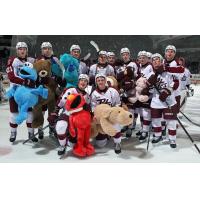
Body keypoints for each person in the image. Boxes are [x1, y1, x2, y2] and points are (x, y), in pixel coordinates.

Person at [47, 74, 91, 155]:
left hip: (79, 118)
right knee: (60, 126)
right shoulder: (71, 90)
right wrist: (55, 112)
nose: (83, 82)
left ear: (87, 84)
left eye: (85, 81)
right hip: (67, 113)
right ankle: (62, 145)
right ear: (78, 81)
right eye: (82, 80)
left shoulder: (87, 96)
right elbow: (61, 102)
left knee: (72, 144)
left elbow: (88, 111)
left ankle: (69, 138)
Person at [6, 42, 38, 143]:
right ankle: (13, 132)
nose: (22, 50)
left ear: (27, 50)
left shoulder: (31, 60)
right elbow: (11, 77)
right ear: (17, 50)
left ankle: (31, 133)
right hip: (15, 92)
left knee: (29, 114)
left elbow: (36, 72)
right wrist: (25, 81)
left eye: (24, 48)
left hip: (27, 93)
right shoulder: (12, 60)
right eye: (20, 49)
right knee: (14, 115)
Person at [149, 53, 178, 148]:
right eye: (153, 60)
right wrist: (149, 87)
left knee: (171, 121)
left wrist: (167, 91)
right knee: (156, 120)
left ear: (161, 61)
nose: (155, 61)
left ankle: (172, 138)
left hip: (168, 101)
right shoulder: (151, 74)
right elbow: (149, 88)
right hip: (156, 101)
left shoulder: (168, 71)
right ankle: (158, 135)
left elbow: (176, 82)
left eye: (157, 59)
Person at [90, 74, 122, 154]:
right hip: (101, 118)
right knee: (101, 144)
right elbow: (93, 107)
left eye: (102, 80)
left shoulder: (112, 91)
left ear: (105, 81)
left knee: (116, 126)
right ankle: (107, 135)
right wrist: (95, 115)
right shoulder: (94, 93)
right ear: (96, 82)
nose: (100, 82)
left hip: (111, 116)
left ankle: (117, 142)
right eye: (98, 80)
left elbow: (118, 104)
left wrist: (113, 113)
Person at [137, 51, 154, 142]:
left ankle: (145, 131)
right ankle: (143, 128)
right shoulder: (139, 67)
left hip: (147, 93)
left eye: (144, 58)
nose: (142, 59)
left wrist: (147, 89)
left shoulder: (150, 67)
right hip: (140, 93)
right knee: (141, 112)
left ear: (147, 58)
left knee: (146, 113)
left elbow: (152, 80)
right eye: (140, 58)